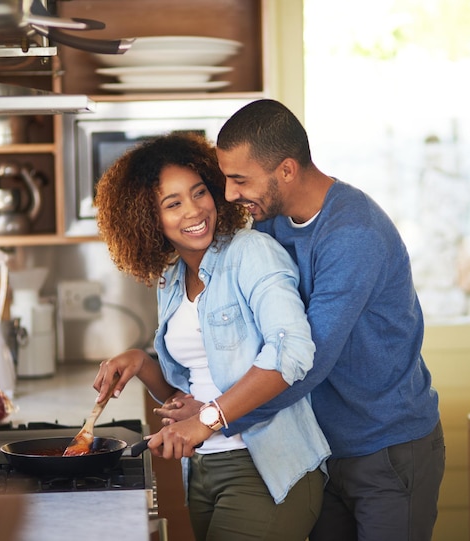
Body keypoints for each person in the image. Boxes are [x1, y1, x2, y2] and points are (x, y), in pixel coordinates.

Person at [156, 98, 441, 541]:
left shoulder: (353, 235)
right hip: (320, 448)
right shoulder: (273, 223)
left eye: (239, 180)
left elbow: (306, 360)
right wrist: (211, 402)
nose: (229, 195)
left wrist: (216, 415)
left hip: (385, 447)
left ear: (286, 170)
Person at [92, 132, 330, 541]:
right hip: (202, 470)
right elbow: (188, 395)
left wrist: (208, 419)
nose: (194, 210)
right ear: (151, 219)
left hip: (266, 469)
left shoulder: (250, 253)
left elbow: (292, 350)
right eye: (173, 203)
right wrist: (141, 364)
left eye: (199, 192)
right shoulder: (170, 278)